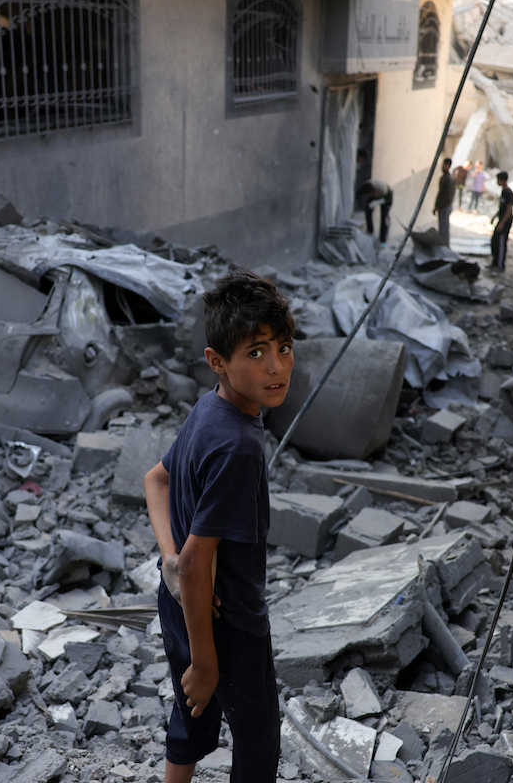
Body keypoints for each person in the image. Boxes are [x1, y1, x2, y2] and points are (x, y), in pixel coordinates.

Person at [143, 269, 293, 783]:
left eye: (283, 347)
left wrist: (170, 567)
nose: (276, 367)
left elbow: (154, 482)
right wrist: (207, 663)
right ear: (217, 362)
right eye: (255, 352)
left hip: (182, 605)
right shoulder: (240, 446)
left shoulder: (208, 410)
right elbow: (194, 561)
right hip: (227, 622)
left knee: (191, 716)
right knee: (256, 741)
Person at [356, 179, 393, 244]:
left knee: (384, 217)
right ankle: (370, 231)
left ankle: (382, 239)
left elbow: (386, 199)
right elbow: (359, 193)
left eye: (368, 194)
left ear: (372, 191)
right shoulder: (366, 186)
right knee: (367, 210)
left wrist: (375, 203)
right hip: (375, 195)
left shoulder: (382, 189)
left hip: (386, 196)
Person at [490, 170, 513, 272]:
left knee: (501, 242)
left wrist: (502, 223)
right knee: (494, 241)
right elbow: (502, 207)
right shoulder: (503, 191)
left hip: (506, 220)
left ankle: (500, 264)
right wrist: (495, 217)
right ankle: (495, 262)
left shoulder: (509, 193)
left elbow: (509, 209)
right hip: (501, 219)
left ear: (502, 180)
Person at [433, 157, 455, 246]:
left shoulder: (449, 179)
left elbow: (447, 196)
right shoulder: (444, 177)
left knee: (444, 230)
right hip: (443, 206)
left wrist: (440, 205)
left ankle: (445, 247)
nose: (443, 167)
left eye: (445, 165)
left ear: (448, 166)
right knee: (442, 229)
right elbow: (440, 193)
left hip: (445, 206)